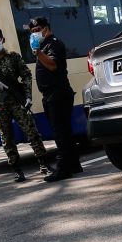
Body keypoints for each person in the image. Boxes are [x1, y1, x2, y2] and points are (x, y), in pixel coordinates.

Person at [0, 28, 51, 182]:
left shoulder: (14, 57)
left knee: (32, 133)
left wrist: (28, 96)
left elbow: (26, 75)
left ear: (2, 40)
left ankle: (44, 165)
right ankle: (17, 170)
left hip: (17, 102)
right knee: (6, 138)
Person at [27, 16, 82, 182]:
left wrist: (37, 52)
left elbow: (52, 65)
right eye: (32, 32)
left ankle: (63, 168)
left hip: (58, 93)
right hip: (51, 94)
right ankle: (74, 164)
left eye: (37, 30)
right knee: (64, 131)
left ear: (46, 29)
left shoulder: (54, 43)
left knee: (60, 133)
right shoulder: (44, 45)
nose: (35, 34)